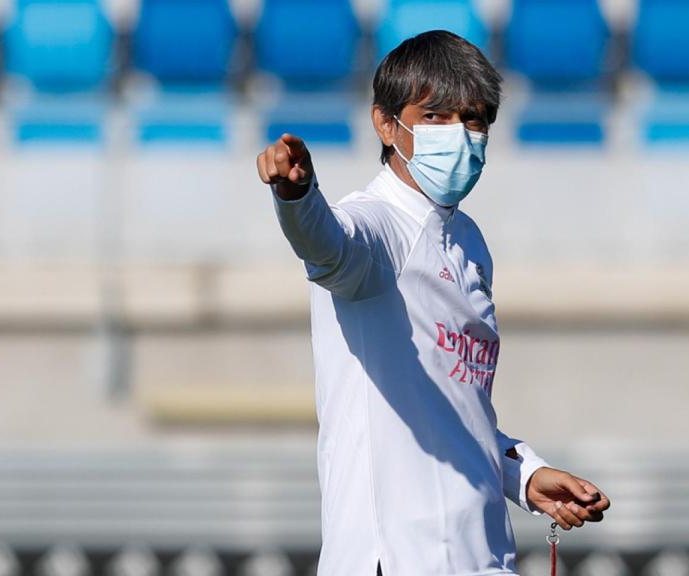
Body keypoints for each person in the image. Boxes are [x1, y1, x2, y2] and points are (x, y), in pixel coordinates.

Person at [255, 30, 611, 576]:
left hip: (480, 554)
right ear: (385, 123)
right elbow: (329, 247)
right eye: (437, 117)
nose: (461, 135)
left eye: (474, 120)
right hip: (394, 560)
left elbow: (455, 410)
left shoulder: (468, 241)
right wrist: (297, 198)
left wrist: (524, 474)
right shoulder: (376, 223)